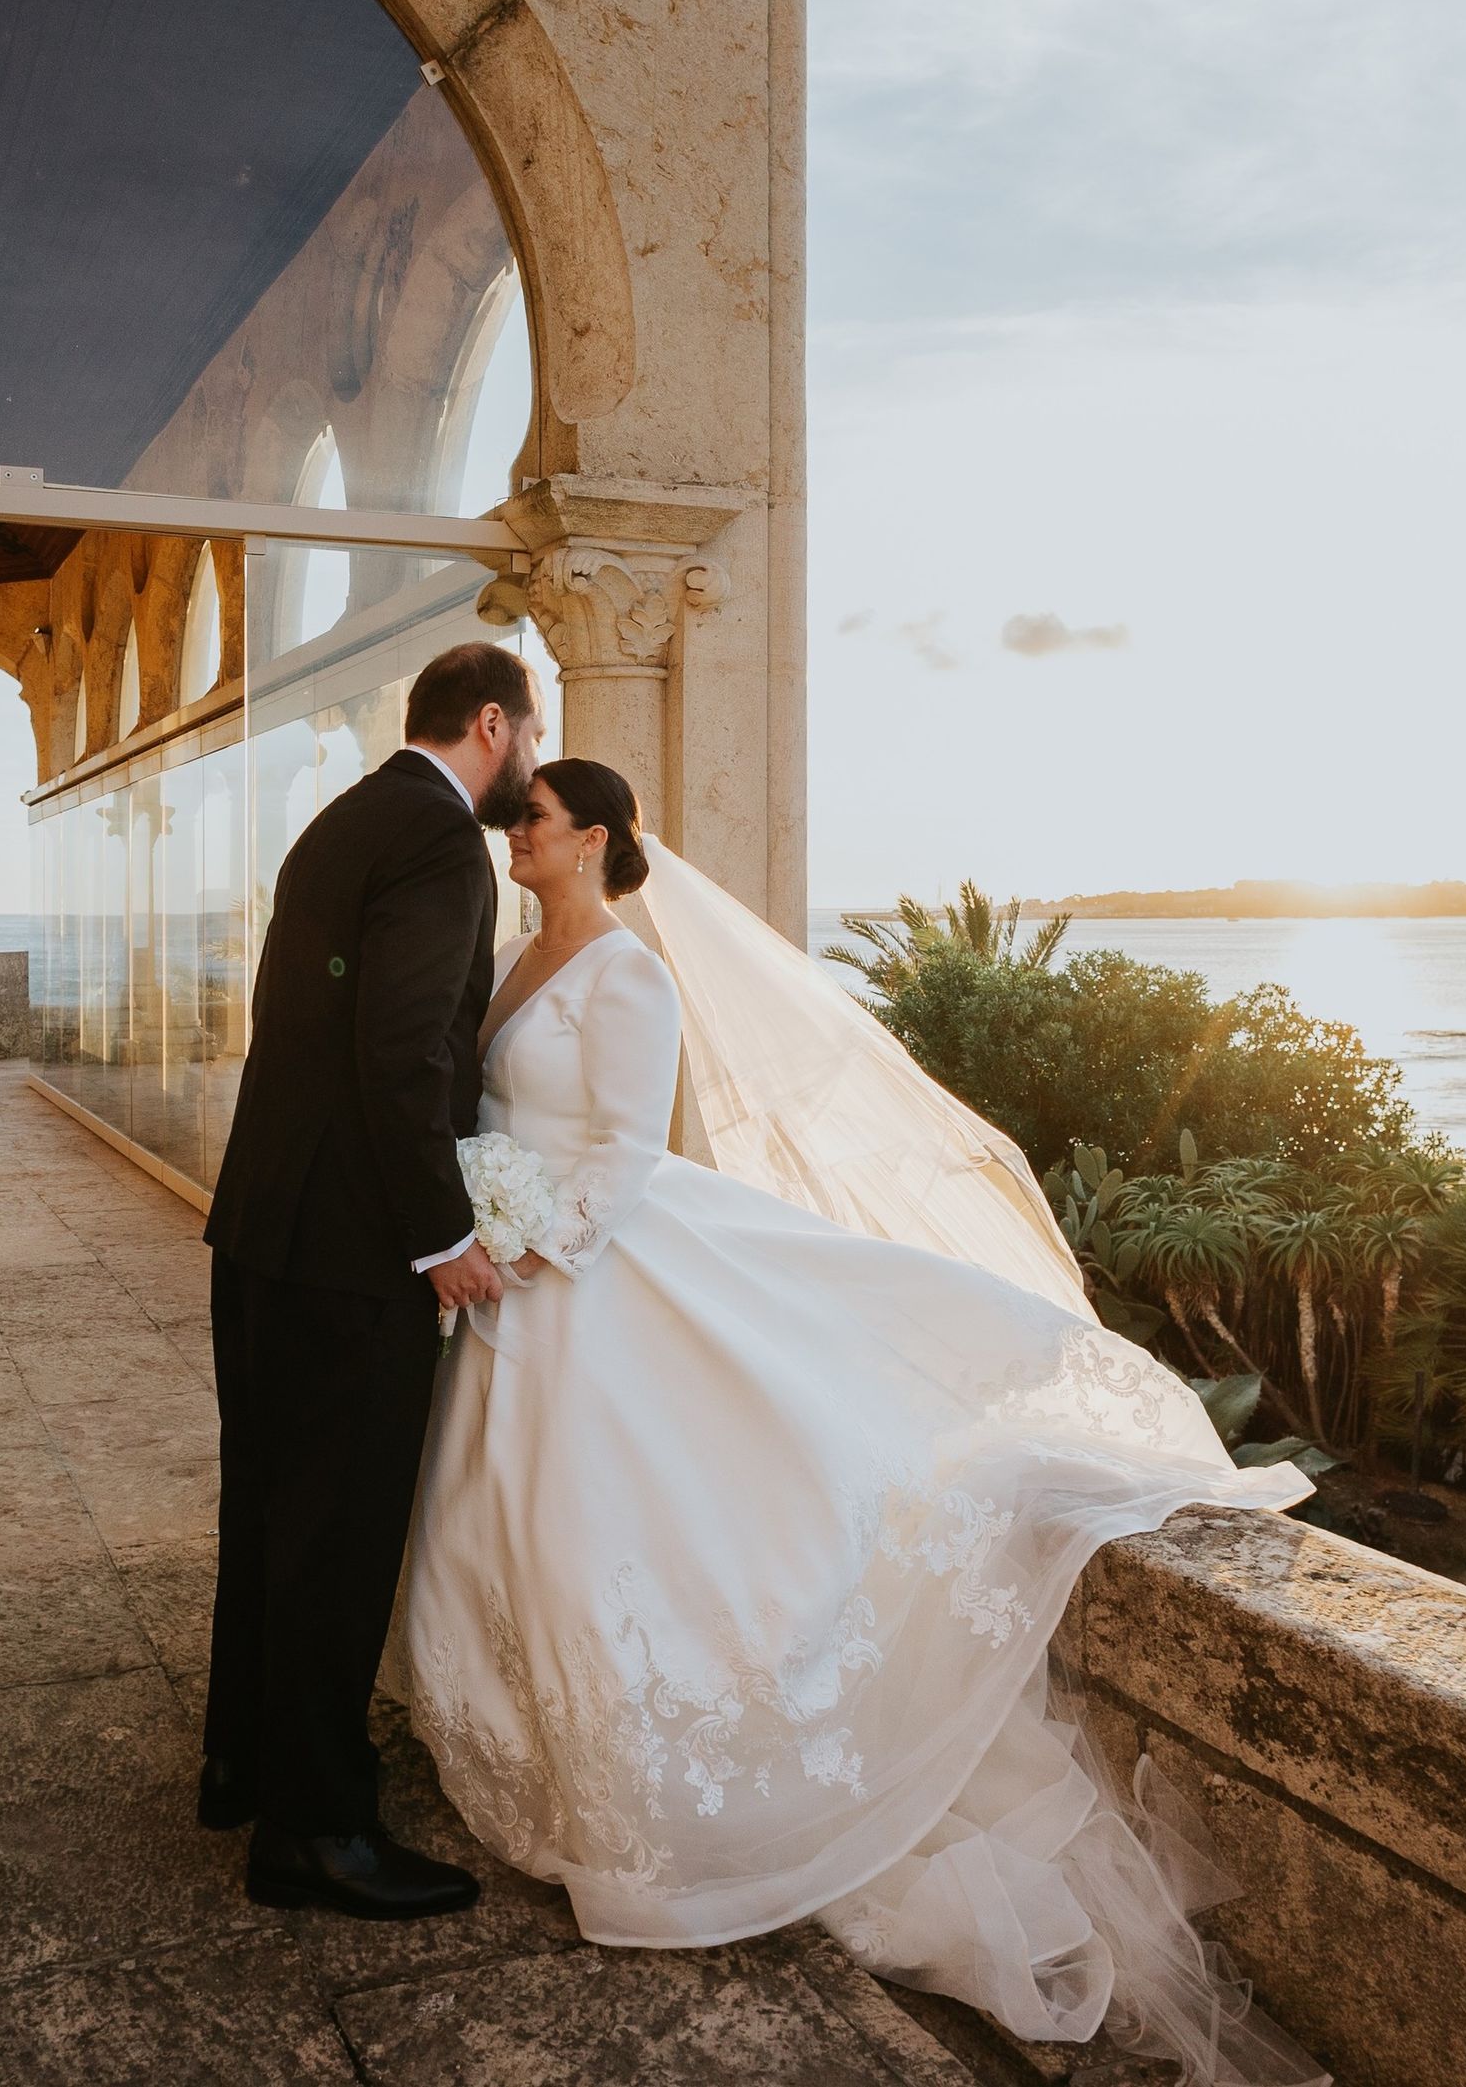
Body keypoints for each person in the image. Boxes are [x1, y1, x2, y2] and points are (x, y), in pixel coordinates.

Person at [399, 758, 1329, 2082]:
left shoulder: (629, 972)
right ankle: (544, 1766)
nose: (511, 839)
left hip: (580, 1269)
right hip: (515, 1291)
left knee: (614, 1526)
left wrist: (519, 1237)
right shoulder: (516, 961)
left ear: (591, 836)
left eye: (529, 822)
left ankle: (668, 1812)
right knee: (517, 1527)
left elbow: (615, 1151)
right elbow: (495, 1111)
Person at [198, 639, 540, 1920]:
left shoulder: (342, 821)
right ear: (493, 724)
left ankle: (244, 1763)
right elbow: (398, 1049)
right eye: (535, 739)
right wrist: (441, 1234)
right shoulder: (443, 840)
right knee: (338, 1541)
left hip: (265, 1232)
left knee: (270, 1514)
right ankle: (317, 1832)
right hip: (351, 1255)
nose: (534, 766)